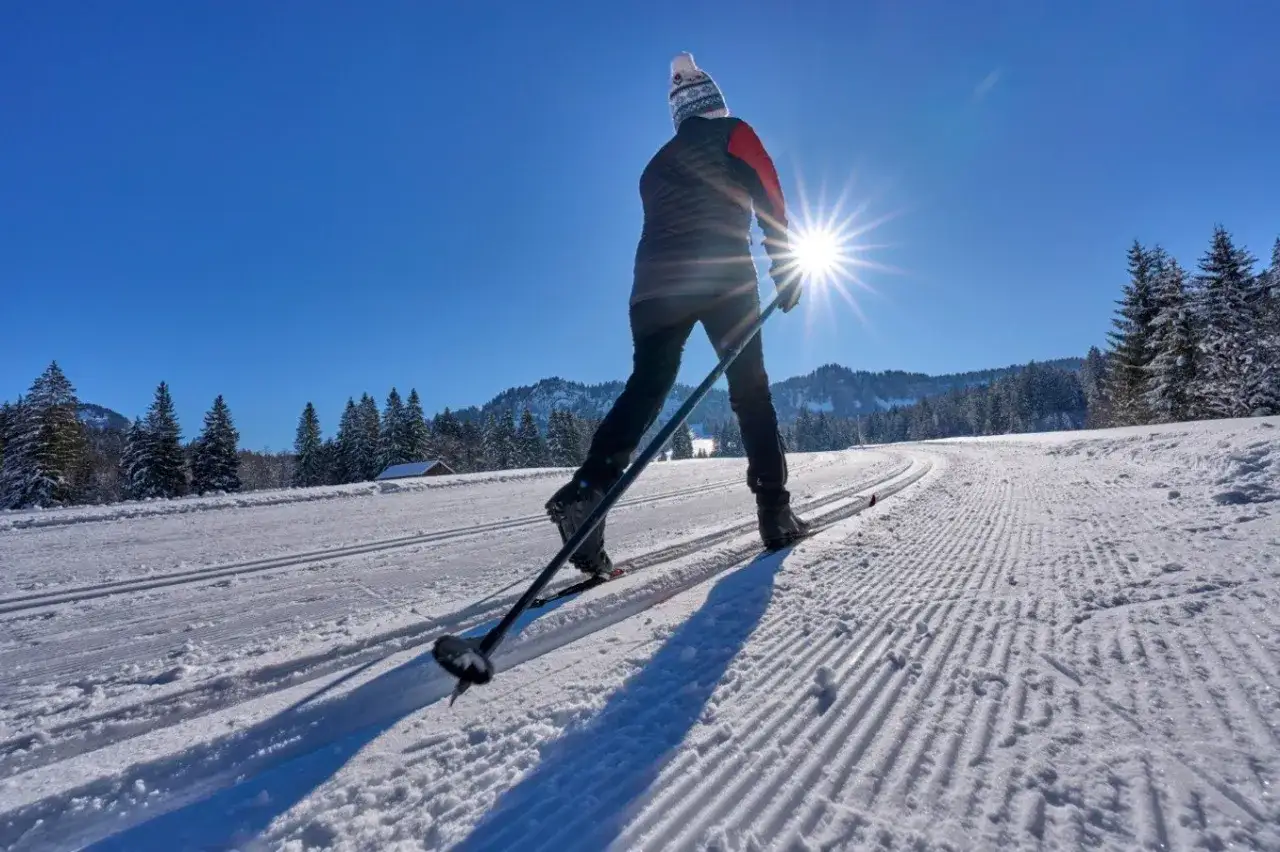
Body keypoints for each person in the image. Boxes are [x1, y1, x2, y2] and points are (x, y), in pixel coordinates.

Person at [546, 52, 810, 576]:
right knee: (750, 391)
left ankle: (588, 490)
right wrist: (787, 270)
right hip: (721, 274)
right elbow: (771, 201)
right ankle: (775, 512)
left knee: (648, 384)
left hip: (652, 289)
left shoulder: (655, 164)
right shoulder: (736, 134)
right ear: (715, 104)